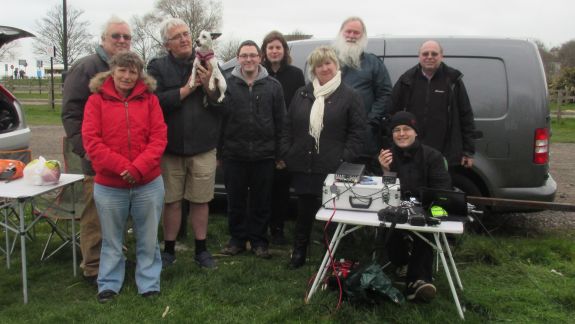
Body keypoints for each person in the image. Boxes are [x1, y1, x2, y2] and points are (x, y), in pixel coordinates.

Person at [82, 51, 167, 303]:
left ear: (139, 74)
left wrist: (138, 168)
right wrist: (122, 167)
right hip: (110, 184)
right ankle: (108, 283)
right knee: (111, 238)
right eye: (122, 70)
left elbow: (159, 138)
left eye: (133, 71)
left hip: (148, 182)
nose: (127, 76)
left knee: (149, 237)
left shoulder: (150, 100)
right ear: (113, 71)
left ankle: (149, 282)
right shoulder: (96, 101)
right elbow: (92, 142)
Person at [280, 46, 366, 269]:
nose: (324, 68)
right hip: (303, 165)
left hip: (334, 167)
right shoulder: (302, 93)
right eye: (319, 64)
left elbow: (357, 134)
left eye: (328, 63)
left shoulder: (350, 96)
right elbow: (287, 126)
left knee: (334, 214)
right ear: (313, 69)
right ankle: (299, 251)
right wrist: (288, 153)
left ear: (336, 65)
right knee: (304, 212)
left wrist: (343, 159)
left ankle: (333, 256)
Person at [147, 18, 223, 269]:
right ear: (167, 44)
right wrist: (189, 88)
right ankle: (169, 250)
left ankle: (201, 250)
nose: (184, 39)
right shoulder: (157, 67)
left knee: (201, 200)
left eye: (187, 33)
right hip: (170, 148)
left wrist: (209, 85)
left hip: (203, 146)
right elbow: (154, 103)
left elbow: (223, 103)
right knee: (172, 200)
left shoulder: (209, 62)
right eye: (177, 36)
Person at [61, 16, 131, 285]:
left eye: (126, 37)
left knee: (117, 214)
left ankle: (115, 258)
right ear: (103, 39)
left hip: (123, 161)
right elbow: (70, 113)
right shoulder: (86, 67)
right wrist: (86, 150)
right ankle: (93, 266)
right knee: (94, 215)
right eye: (116, 36)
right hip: (96, 160)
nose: (122, 41)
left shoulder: (126, 69)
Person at [220, 40, 286, 259]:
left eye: (252, 55)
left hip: (264, 155)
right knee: (235, 201)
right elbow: (219, 120)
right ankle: (237, 239)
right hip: (233, 153)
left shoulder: (273, 86)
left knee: (261, 202)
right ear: (238, 58)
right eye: (244, 55)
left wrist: (279, 154)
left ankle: (259, 241)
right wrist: (219, 153)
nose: (248, 59)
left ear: (260, 58)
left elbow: (281, 121)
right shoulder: (227, 84)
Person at [377, 111, 452, 302]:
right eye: (397, 130)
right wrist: (385, 170)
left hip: (425, 209)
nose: (401, 134)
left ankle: (419, 280)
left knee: (425, 227)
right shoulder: (387, 156)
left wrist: (425, 206)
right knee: (388, 222)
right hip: (397, 210)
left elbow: (444, 191)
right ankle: (403, 266)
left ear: (415, 132)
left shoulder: (433, 157)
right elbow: (383, 195)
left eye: (406, 129)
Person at [391, 40, 475, 170]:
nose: (429, 57)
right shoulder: (407, 80)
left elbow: (466, 115)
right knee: (413, 188)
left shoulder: (453, 81)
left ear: (441, 56)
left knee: (440, 187)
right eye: (425, 53)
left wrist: (468, 151)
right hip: (411, 151)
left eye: (434, 54)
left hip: (443, 151)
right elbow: (391, 114)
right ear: (419, 56)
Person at [261, 31, 306, 245]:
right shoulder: (259, 73)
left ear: (284, 51)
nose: (274, 51)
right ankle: (259, 229)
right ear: (265, 51)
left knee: (281, 188)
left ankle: (277, 229)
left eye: (278, 47)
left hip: (286, 138)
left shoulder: (296, 75)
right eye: (270, 47)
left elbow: (300, 106)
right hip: (262, 139)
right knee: (262, 188)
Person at [334, 17, 392, 167]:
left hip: (364, 141)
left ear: (363, 36)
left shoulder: (373, 62)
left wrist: (370, 121)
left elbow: (385, 94)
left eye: (356, 32)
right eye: (348, 31)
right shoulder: (328, 60)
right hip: (333, 138)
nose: (352, 36)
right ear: (341, 33)